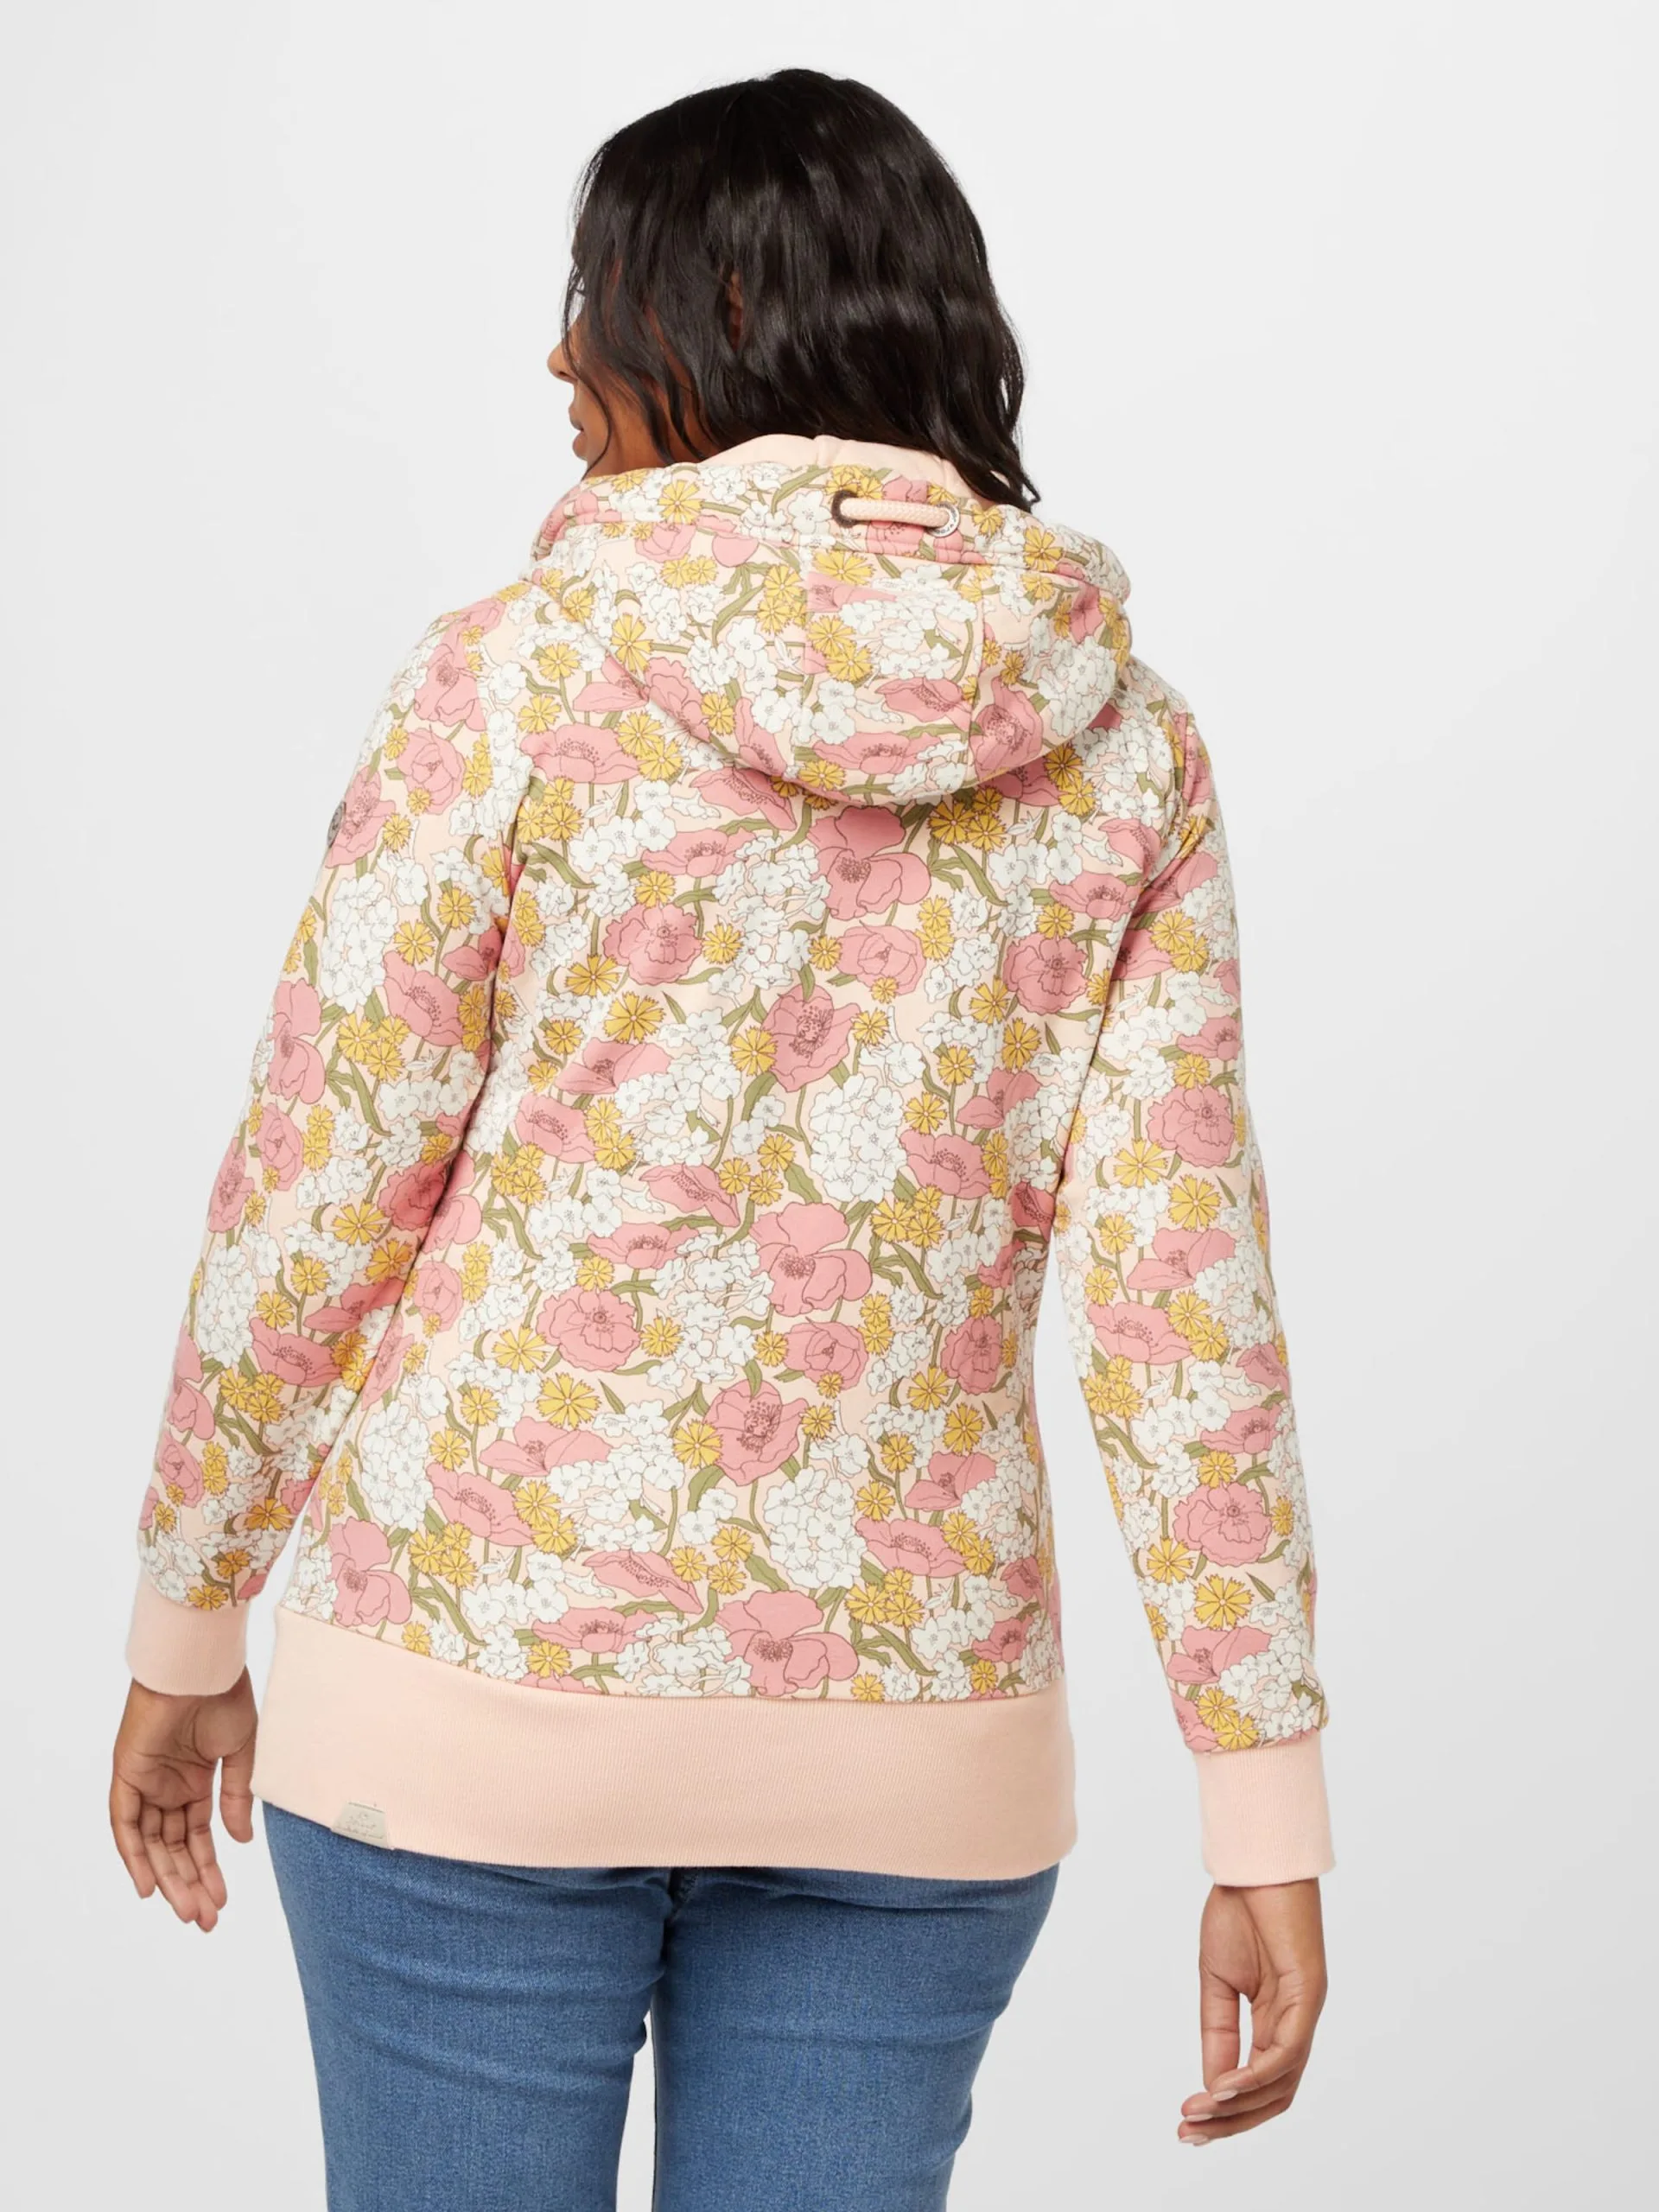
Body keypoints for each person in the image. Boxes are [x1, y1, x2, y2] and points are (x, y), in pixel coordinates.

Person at [109, 67, 1332, 2211]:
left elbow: (319, 1183)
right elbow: (1183, 1307)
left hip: (465, 1708)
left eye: (598, 295)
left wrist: (186, 1627)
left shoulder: (509, 677)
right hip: (919, 1761)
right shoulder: (1124, 742)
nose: (557, 358)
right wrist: (1265, 1811)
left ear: (726, 317)